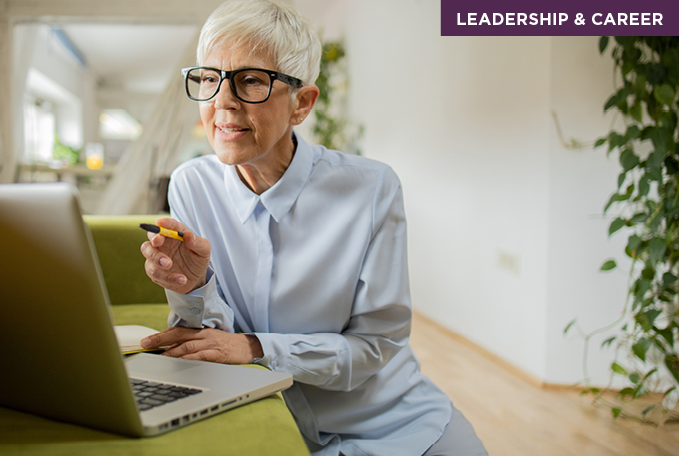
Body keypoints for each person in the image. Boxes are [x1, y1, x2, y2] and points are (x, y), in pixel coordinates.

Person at [139, 1, 487, 454]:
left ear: (302, 103)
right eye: (208, 78)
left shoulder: (371, 189)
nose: (221, 102)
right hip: (264, 416)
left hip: (387, 423)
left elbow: (375, 346)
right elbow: (207, 337)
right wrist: (191, 286)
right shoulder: (192, 184)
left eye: (249, 81)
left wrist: (256, 346)